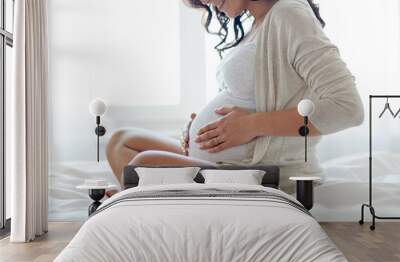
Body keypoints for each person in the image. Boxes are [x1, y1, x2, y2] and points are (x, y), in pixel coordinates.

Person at [106, 0, 364, 193]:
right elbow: (250, 98)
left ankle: (132, 205)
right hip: (223, 162)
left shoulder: (289, 15)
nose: (206, 1)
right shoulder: (258, 24)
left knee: (143, 164)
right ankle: (136, 200)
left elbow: (347, 108)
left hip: (256, 170)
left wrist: (252, 124)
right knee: (121, 141)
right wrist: (201, 128)